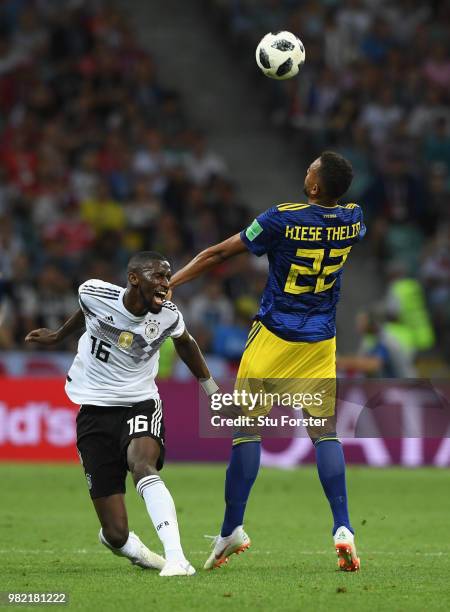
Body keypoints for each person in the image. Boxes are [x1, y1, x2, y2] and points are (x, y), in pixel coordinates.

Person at [170, 151, 366, 572]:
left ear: (314, 186)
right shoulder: (354, 216)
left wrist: (170, 283)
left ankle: (231, 530)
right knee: (325, 433)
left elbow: (220, 254)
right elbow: (342, 219)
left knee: (245, 431)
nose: (305, 169)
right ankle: (343, 526)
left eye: (310, 168)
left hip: (274, 336)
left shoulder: (281, 218)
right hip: (320, 342)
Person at [25, 251, 219, 577]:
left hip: (140, 402)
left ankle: (177, 558)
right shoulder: (93, 293)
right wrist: (58, 335)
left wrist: (211, 391)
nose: (165, 283)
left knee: (141, 464)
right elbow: (87, 312)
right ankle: (138, 552)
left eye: (167, 276)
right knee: (115, 534)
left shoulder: (168, 316)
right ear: (134, 279)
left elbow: (185, 344)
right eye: (157, 276)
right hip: (94, 411)